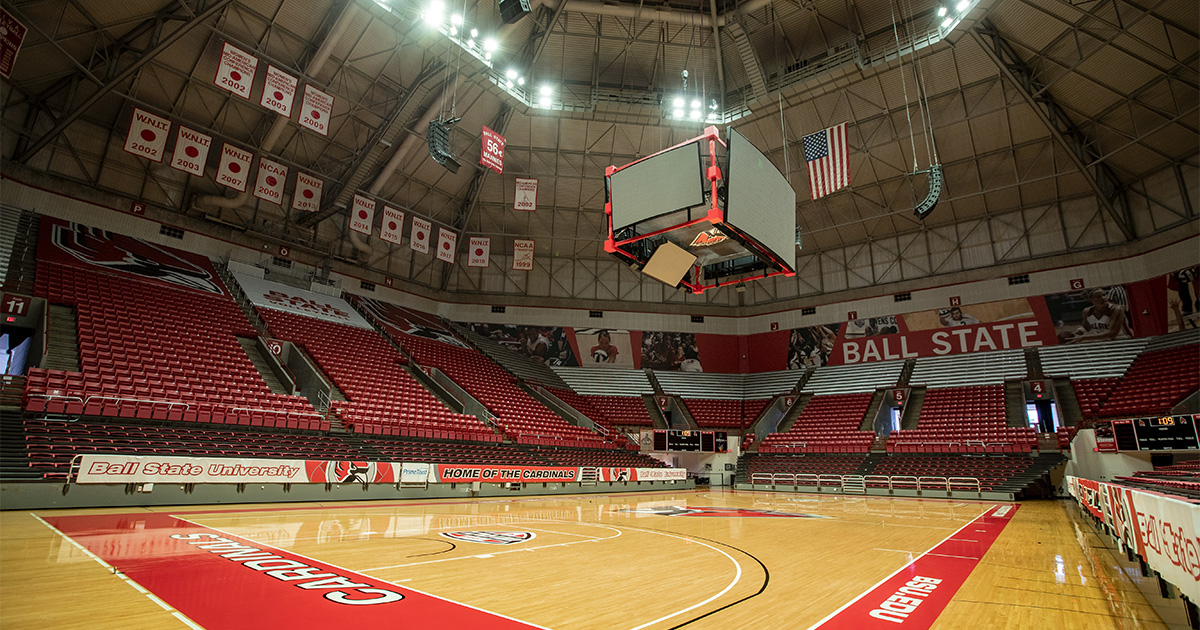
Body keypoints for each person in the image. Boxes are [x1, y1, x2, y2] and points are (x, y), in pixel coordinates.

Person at [1061, 287, 1131, 343]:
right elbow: (1085, 328)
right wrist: (1073, 335)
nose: (1103, 298)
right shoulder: (1087, 311)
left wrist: (1083, 338)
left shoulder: (1117, 309)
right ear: (1090, 300)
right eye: (1098, 297)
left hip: (1121, 340)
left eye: (1104, 295)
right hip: (1101, 342)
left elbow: (1112, 333)